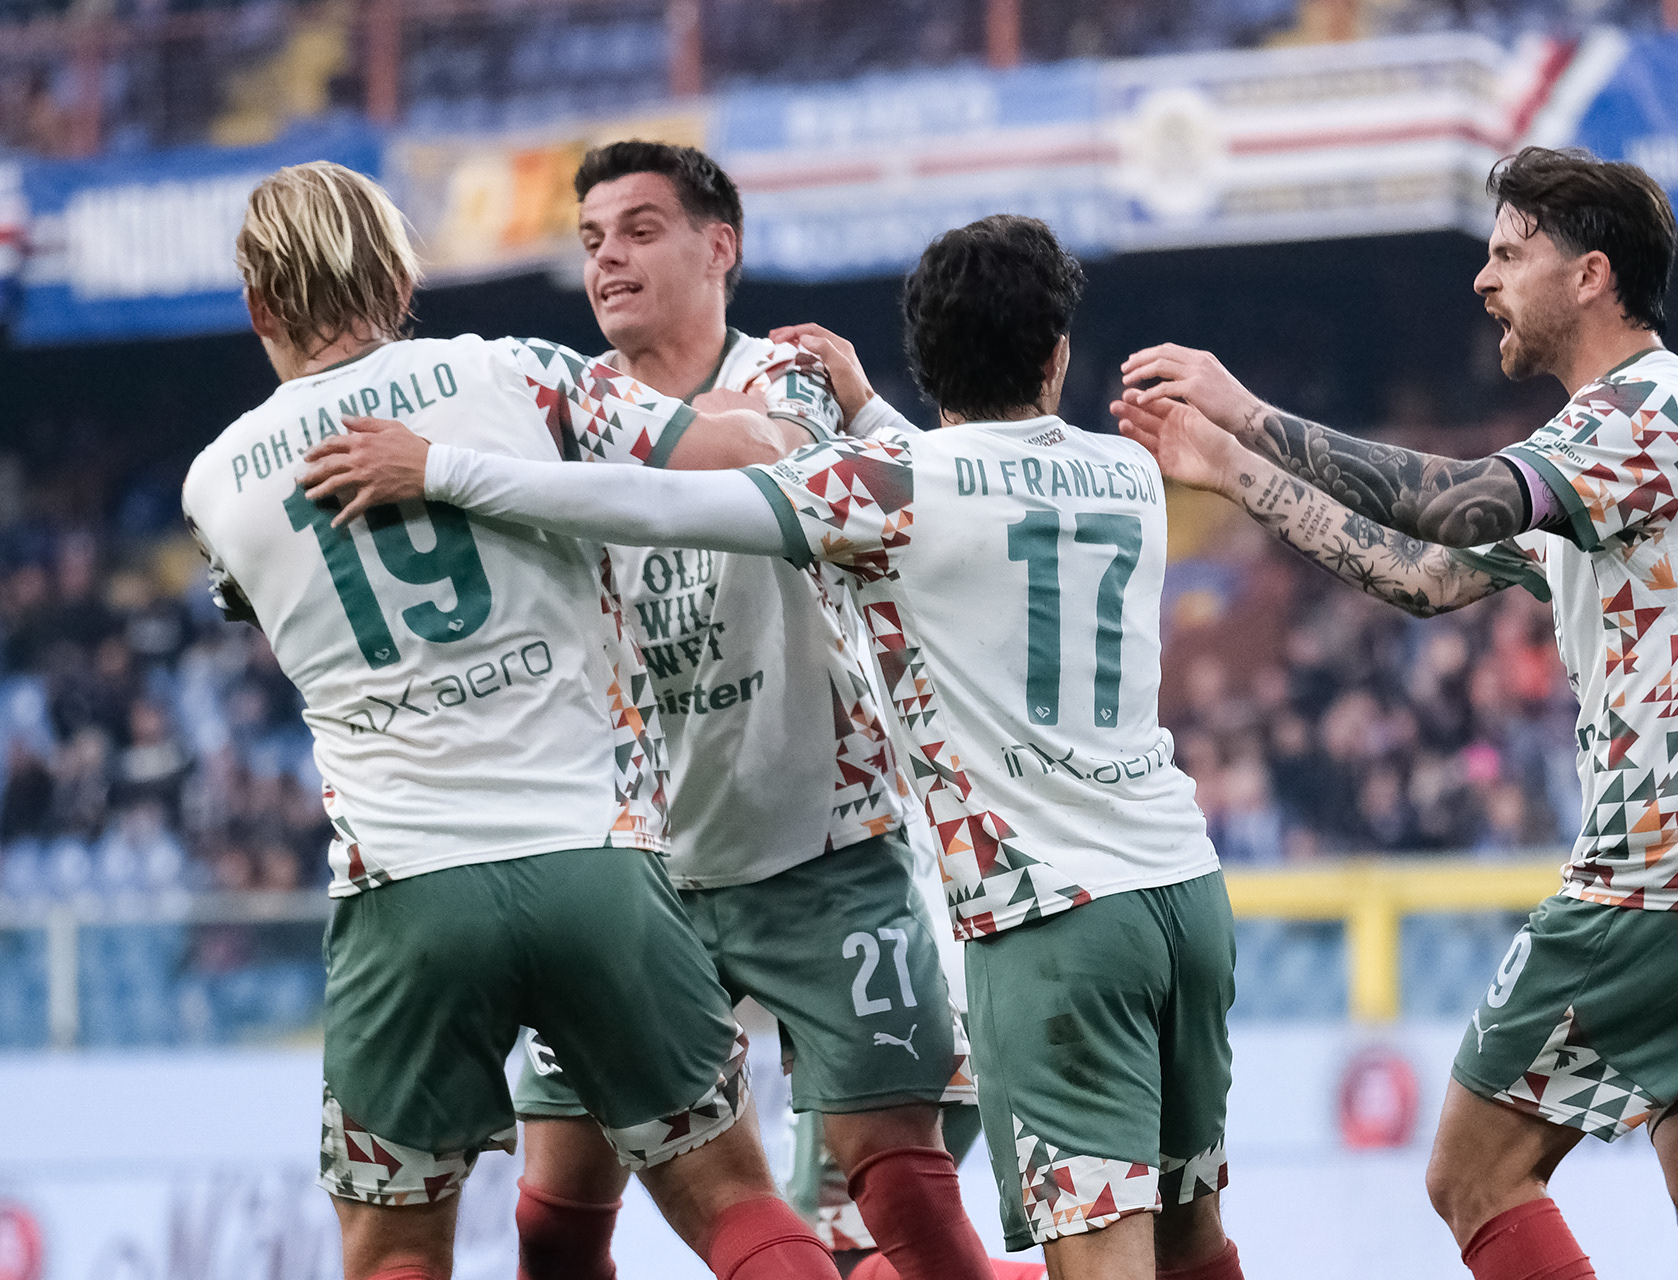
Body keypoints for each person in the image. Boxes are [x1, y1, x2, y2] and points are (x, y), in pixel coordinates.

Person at [302, 214, 1246, 1280]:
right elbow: (989, 474)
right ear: (1061, 355)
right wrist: (868, 407)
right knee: (1193, 1244)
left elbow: (646, 500)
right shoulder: (1126, 476)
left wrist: (446, 467)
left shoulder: (885, 496)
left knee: (1099, 1263)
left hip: (1052, 922)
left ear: (927, 359)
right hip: (1183, 891)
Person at [1113, 146, 1678, 1280]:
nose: (1484, 279)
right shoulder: (1610, 448)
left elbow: (1449, 505)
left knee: (1474, 1171)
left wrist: (1250, 414)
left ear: (1591, 274)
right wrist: (1229, 469)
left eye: (1510, 253)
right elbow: (1424, 575)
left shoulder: (1642, 408)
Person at [183, 160, 839, 1280]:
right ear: (399, 277)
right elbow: (734, 449)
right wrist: (789, 403)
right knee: (735, 1200)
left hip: (406, 896)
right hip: (596, 864)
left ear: (257, 310)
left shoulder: (216, 484)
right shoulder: (520, 376)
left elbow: (249, 589)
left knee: (394, 1248)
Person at [505, 140, 1008, 1280]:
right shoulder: (565, 408)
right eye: (590, 242)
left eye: (638, 230)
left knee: (908, 1208)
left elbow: (786, 469)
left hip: (819, 857)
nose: (608, 260)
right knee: (550, 1221)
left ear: (717, 245)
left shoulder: (786, 378)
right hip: (638, 870)